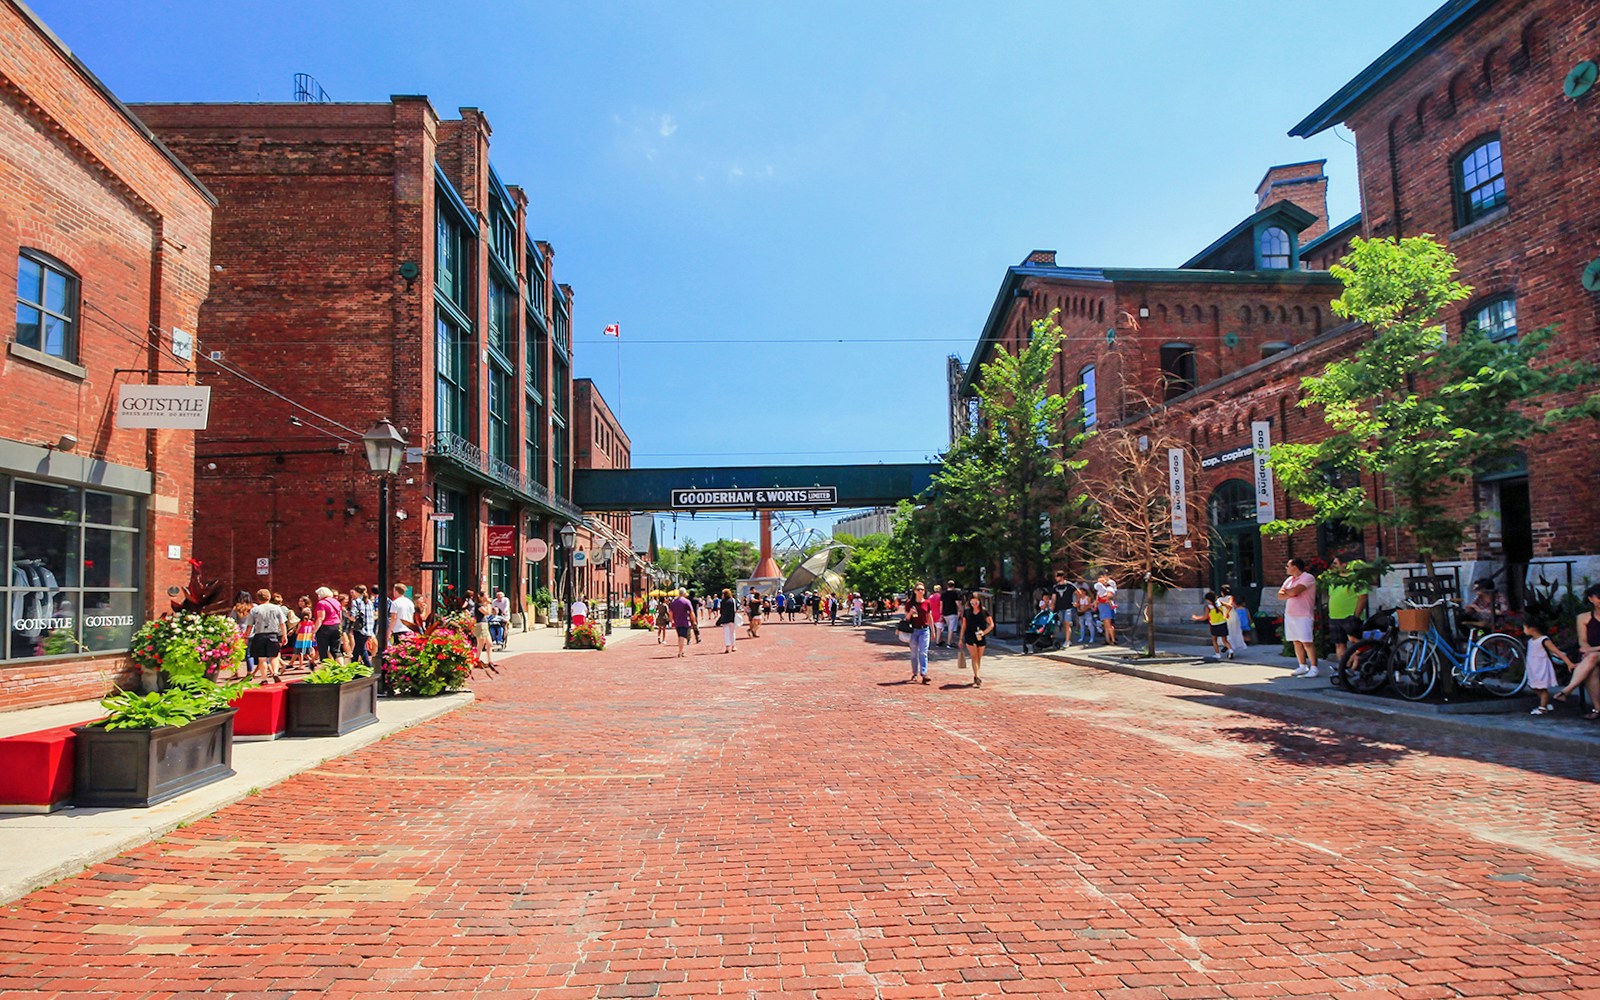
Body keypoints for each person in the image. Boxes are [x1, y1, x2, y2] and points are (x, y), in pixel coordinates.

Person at [1555, 583, 1600, 719]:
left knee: (1591, 657)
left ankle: (1567, 690)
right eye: (1599, 598)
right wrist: (1588, 649)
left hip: (1593, 652)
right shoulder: (1583, 618)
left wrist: (1593, 649)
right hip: (1592, 654)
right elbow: (1582, 640)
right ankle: (1598, 708)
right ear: (1591, 599)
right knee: (1592, 667)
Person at [1324, 556, 1369, 684]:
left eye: (1335, 563)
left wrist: (1356, 615)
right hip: (1335, 617)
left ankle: (1355, 668)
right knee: (1339, 644)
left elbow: (1363, 597)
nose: (1333, 565)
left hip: (1350, 617)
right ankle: (1343, 667)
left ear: (1344, 564)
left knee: (1355, 643)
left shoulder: (1357, 579)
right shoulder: (1334, 579)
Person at [1522, 616, 1575, 716]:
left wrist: (1569, 663)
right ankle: (1545, 703)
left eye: (1524, 628)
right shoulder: (1531, 641)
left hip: (1541, 668)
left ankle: (1543, 708)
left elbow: (1558, 652)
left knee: (1542, 688)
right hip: (1533, 668)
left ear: (1531, 628)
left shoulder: (1544, 640)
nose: (1523, 630)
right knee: (1534, 686)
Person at [1279, 558, 1318, 677]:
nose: (1286, 568)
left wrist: (1289, 592)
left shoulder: (1308, 577)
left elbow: (1296, 591)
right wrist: (1289, 593)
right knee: (1296, 641)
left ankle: (1314, 667)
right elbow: (1280, 595)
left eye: (1288, 566)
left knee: (1307, 642)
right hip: (1290, 614)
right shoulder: (1289, 580)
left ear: (1295, 567)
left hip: (1304, 614)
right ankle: (1302, 666)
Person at [244, 588, 289, 682]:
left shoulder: (254, 610)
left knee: (262, 658)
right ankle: (275, 672)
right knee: (274, 656)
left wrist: (246, 636)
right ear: (269, 597)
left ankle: (264, 678)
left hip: (259, 635)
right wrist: (284, 635)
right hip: (273, 634)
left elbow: (249, 625)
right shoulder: (276, 608)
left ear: (258, 599)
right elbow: (282, 623)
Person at [961, 591, 994, 687]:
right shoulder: (967, 612)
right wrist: (960, 638)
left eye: (976, 603)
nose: (974, 605)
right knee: (974, 656)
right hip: (970, 635)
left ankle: (976, 675)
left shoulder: (984, 612)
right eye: (972, 603)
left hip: (980, 635)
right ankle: (977, 675)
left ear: (980, 602)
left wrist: (984, 632)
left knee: (979, 657)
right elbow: (964, 625)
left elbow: (991, 624)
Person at [1192, 590, 1235, 660]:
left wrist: (1196, 618)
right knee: (1225, 640)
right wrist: (1226, 613)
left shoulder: (1208, 607)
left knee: (1214, 640)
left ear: (1208, 599)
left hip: (1214, 624)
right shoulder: (1219, 602)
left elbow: (1205, 617)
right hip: (1223, 622)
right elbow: (1229, 606)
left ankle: (1217, 654)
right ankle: (1231, 650)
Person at [903, 583, 932, 684]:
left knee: (923, 652)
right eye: (918, 589)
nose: (920, 591)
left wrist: (933, 631)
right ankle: (915, 673)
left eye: (922, 590)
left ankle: (924, 674)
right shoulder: (910, 603)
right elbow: (906, 618)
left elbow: (929, 617)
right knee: (914, 653)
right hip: (913, 630)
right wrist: (910, 613)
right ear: (915, 591)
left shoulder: (927, 603)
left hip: (924, 630)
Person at [311, 586, 343, 664]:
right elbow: (340, 617)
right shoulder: (336, 602)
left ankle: (327, 670)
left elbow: (320, 618)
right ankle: (342, 668)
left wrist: (314, 632)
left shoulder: (321, 603)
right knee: (336, 650)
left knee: (323, 650)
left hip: (325, 628)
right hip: (336, 626)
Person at [349, 585, 375, 667]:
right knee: (358, 647)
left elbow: (353, 617)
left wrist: (346, 614)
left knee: (361, 648)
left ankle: (369, 666)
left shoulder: (356, 601)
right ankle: (353, 665)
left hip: (360, 628)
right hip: (369, 628)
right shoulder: (370, 602)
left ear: (357, 592)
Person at [668, 587, 696, 658]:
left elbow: (670, 612)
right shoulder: (687, 601)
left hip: (677, 621)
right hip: (684, 621)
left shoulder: (674, 602)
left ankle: (681, 650)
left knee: (680, 636)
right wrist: (694, 621)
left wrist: (671, 621)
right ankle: (680, 651)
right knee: (682, 637)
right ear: (684, 593)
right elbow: (691, 612)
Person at [1219, 584, 1248, 654]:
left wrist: (1225, 612)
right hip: (1232, 616)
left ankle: (1229, 647)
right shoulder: (1230, 597)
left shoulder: (1221, 599)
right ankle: (1229, 646)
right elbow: (1232, 606)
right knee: (1234, 632)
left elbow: (1229, 606)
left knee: (1228, 632)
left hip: (1227, 617)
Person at [292, 595, 317, 669]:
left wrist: (295, 630)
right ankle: (311, 660)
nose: (299, 603)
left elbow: (300, 622)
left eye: (301, 601)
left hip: (303, 633)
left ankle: (301, 663)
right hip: (308, 632)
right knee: (308, 648)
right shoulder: (306, 612)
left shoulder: (305, 610)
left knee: (301, 649)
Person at [1094, 571, 1119, 645]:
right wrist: (1097, 601)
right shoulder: (1100, 588)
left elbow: (1109, 596)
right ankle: (1107, 639)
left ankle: (1113, 639)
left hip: (1107, 605)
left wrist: (1101, 599)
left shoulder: (1110, 585)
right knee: (1105, 624)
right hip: (1102, 606)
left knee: (1109, 624)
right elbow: (1098, 596)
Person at [1051, 570, 1072, 648]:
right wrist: (1052, 607)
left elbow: (1078, 592)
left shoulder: (1069, 585)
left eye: (1057, 576)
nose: (1056, 578)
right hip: (1059, 608)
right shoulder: (1055, 587)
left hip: (1068, 607)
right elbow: (1054, 598)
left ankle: (1067, 640)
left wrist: (1077, 602)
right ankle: (1067, 639)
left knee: (1067, 624)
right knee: (1062, 624)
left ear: (1061, 577)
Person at [717, 588, 738, 653]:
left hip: (725, 619)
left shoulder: (722, 601)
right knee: (732, 633)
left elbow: (721, 611)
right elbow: (735, 609)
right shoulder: (733, 600)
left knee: (726, 633)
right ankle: (733, 646)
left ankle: (727, 647)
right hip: (732, 618)